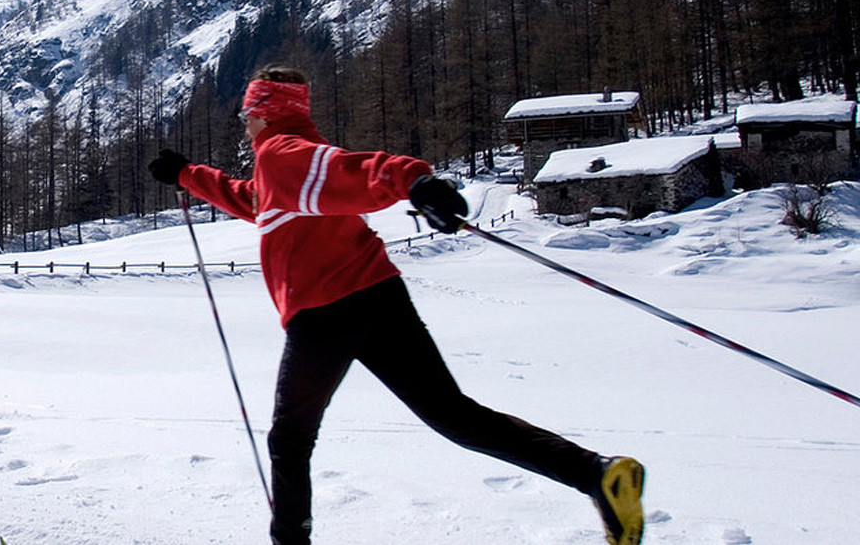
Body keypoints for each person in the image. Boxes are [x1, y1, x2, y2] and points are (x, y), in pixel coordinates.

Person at [148, 66, 644, 545]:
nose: (245, 121)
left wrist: (414, 181)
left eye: (248, 113)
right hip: (379, 298)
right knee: (456, 417)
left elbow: (355, 171)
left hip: (325, 314)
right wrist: (188, 174)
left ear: (266, 112)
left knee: (290, 440)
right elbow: (254, 199)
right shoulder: (282, 169)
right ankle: (597, 474)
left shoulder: (283, 154)